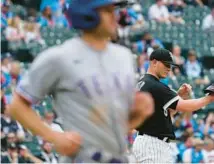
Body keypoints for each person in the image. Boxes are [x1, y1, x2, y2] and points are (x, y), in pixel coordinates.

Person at [8, 0, 154, 163]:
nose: (115, 17)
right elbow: (17, 106)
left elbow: (115, 126)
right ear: (87, 14)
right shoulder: (61, 57)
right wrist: (54, 136)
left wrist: (138, 115)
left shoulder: (124, 57)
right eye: (107, 11)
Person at [132, 48, 214, 163]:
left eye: (170, 65)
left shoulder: (144, 82)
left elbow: (167, 112)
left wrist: (178, 95)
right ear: (154, 62)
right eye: (166, 64)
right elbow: (186, 106)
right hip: (153, 144)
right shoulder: (155, 85)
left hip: (148, 141)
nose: (169, 68)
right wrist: (210, 98)